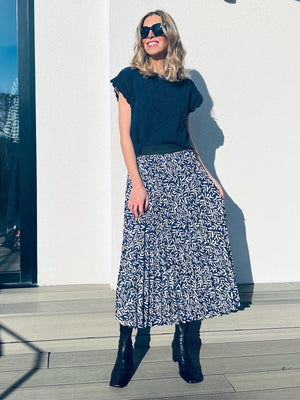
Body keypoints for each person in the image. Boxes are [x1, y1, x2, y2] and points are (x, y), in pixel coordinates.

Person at [109, 10, 240, 387]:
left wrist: (208, 176)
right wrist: (136, 183)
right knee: (138, 257)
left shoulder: (184, 86)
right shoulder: (129, 80)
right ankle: (126, 344)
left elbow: (185, 136)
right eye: (144, 31)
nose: (150, 35)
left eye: (157, 29)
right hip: (147, 173)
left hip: (185, 171)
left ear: (169, 36)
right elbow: (125, 137)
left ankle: (183, 342)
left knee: (188, 257)